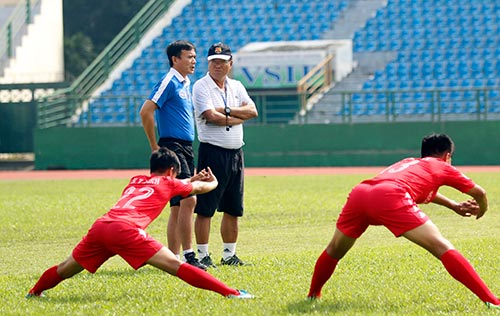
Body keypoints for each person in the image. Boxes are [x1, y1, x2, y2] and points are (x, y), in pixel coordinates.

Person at [27, 148, 253, 299]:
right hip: (126, 230)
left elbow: (164, 185)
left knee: (65, 269)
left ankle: (34, 292)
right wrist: (212, 181)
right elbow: (200, 189)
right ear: (172, 170)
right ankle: (232, 292)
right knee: (177, 266)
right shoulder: (169, 183)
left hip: (102, 226)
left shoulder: (135, 180)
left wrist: (187, 180)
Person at [307, 133, 500, 309]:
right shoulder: (442, 165)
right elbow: (480, 193)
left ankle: (313, 295)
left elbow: (421, 190)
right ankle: (492, 301)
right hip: (390, 195)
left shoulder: (409, 162)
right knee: (442, 247)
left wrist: (454, 206)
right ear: (447, 156)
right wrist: (482, 210)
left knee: (335, 249)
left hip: (361, 192)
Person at [139, 40, 205, 269]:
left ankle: (173, 257)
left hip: (186, 147)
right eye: (189, 57)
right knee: (190, 198)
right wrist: (154, 146)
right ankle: (189, 256)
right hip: (173, 146)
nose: (194, 61)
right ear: (175, 59)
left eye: (195, 57)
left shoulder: (185, 83)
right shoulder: (169, 81)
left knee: (177, 205)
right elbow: (146, 111)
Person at [192, 42, 258, 267]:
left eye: (222, 62)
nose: (217, 65)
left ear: (230, 63)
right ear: (208, 63)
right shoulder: (201, 86)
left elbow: (253, 111)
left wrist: (227, 111)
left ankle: (229, 255)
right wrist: (236, 117)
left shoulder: (237, 86)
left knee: (233, 207)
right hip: (212, 151)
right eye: (213, 62)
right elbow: (211, 116)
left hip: (236, 152)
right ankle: (203, 255)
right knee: (206, 206)